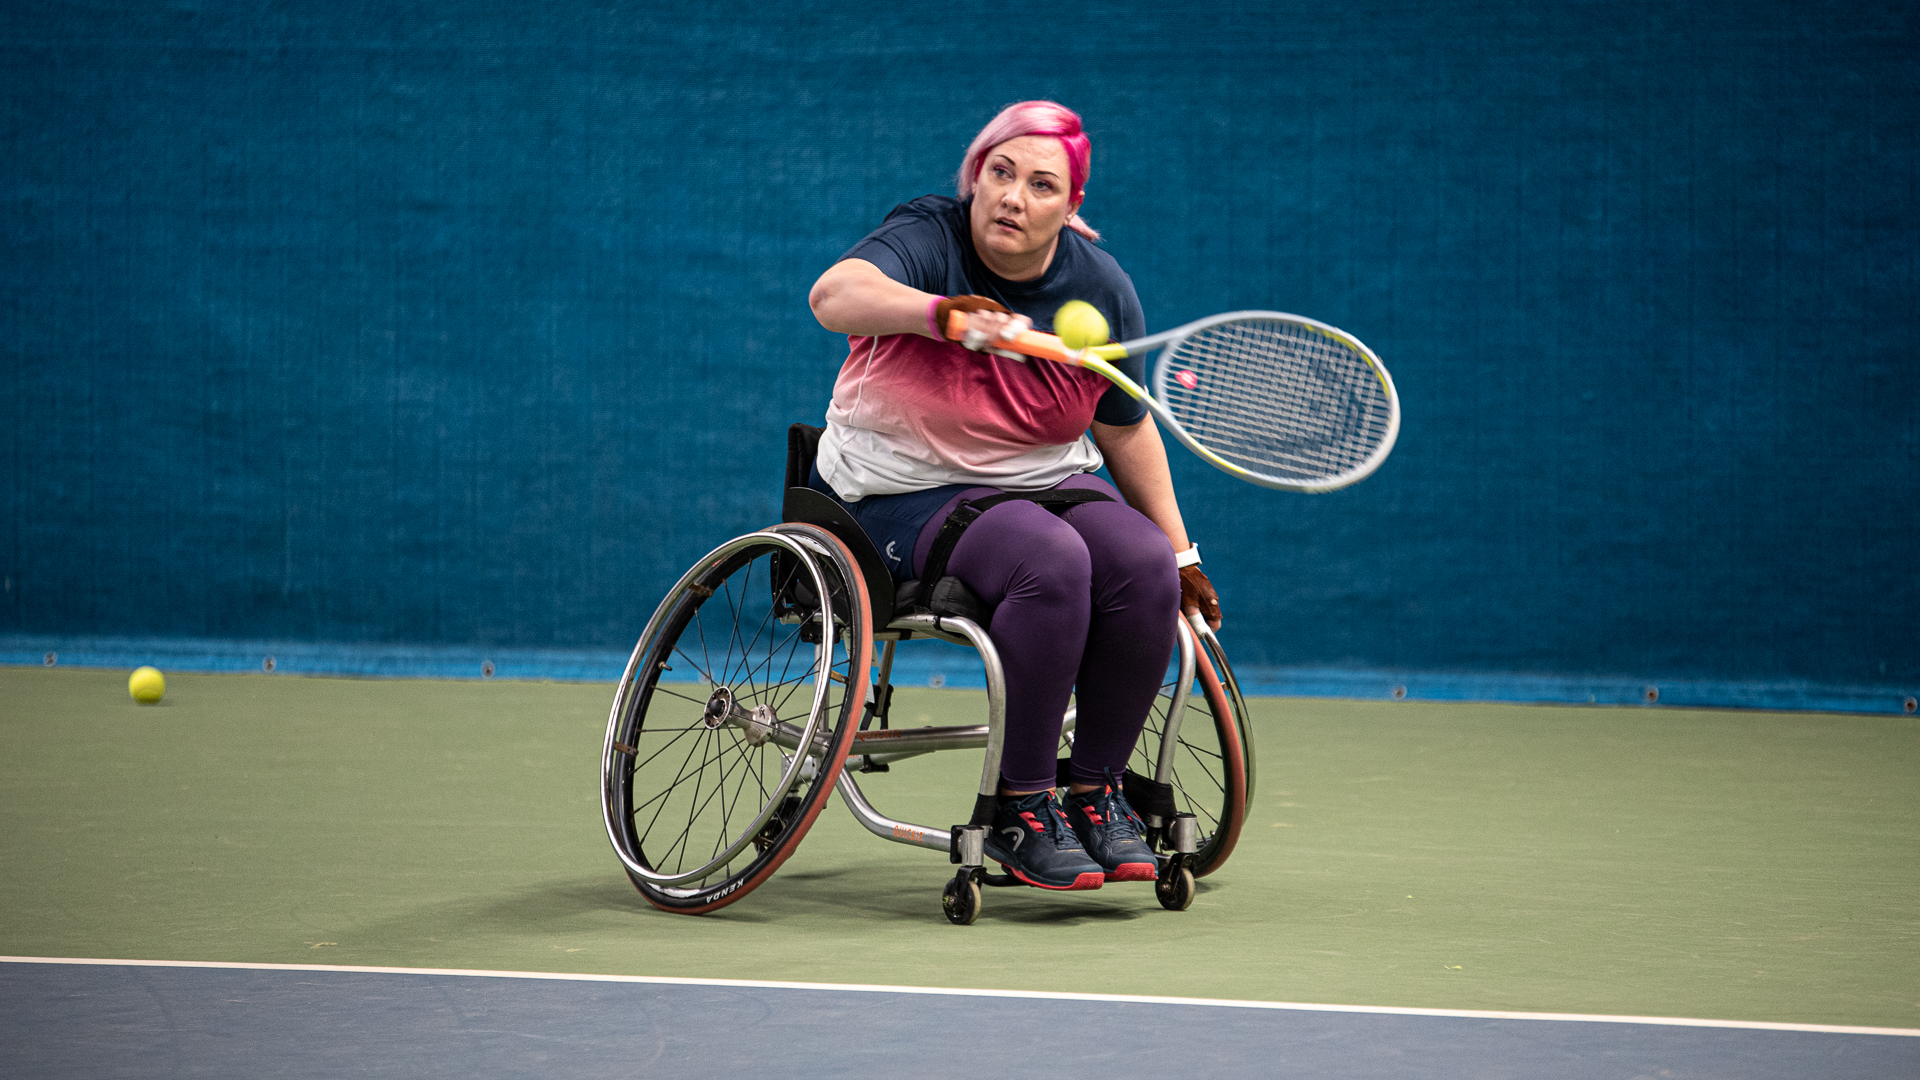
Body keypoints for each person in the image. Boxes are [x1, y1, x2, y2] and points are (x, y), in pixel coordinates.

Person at [806, 101, 1221, 892]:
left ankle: (1095, 793)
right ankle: (1019, 807)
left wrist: (1181, 552)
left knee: (1139, 563)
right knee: (1051, 558)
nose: (1013, 197)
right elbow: (835, 296)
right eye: (1000, 173)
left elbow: (1125, 429)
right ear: (975, 176)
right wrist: (939, 316)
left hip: (1040, 479)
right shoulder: (929, 236)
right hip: (896, 491)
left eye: (1040, 185)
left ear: (1071, 208)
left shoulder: (1100, 291)